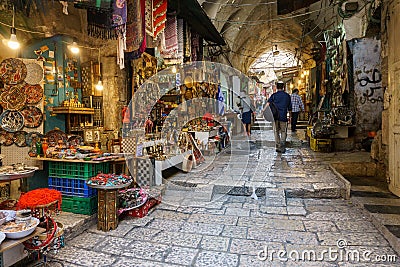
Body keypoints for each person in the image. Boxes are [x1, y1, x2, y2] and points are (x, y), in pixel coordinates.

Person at [263, 81, 292, 153]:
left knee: (276, 132)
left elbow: (268, 103)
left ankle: (278, 145)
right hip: (283, 117)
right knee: (283, 131)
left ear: (276, 87)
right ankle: (282, 145)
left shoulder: (274, 95)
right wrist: (290, 117)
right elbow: (290, 108)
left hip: (275, 117)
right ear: (283, 87)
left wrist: (263, 111)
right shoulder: (287, 96)